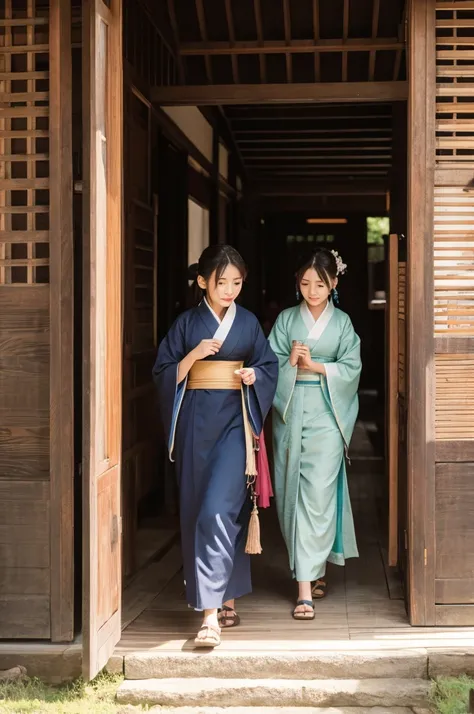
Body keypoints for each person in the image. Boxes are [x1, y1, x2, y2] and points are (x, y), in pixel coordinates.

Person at [153, 245, 278, 647]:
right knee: (199, 510)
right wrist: (192, 356)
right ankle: (225, 597)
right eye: (221, 282)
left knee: (217, 511)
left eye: (237, 283)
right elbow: (162, 372)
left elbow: (268, 365)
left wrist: (254, 377)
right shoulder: (187, 323)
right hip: (194, 423)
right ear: (203, 281)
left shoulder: (249, 323)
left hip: (233, 425)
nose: (229, 290)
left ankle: (209, 617)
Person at [269, 248, 361, 621]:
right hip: (290, 411)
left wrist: (317, 366)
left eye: (320, 284)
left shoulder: (343, 324)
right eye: (305, 283)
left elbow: (352, 367)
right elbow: (268, 362)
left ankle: (304, 588)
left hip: (326, 413)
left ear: (333, 284)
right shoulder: (286, 320)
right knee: (292, 492)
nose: (312, 290)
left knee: (319, 495)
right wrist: (289, 362)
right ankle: (311, 570)